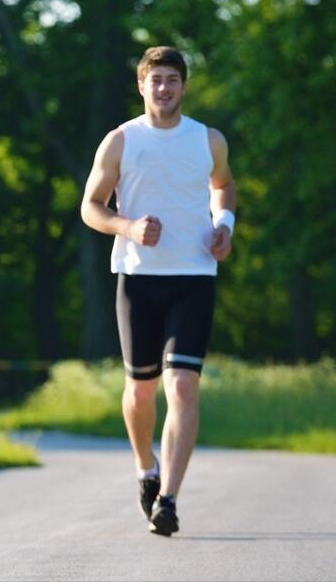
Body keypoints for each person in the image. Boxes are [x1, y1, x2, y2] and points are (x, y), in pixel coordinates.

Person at [80, 46, 237, 536]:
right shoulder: (121, 140)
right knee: (141, 390)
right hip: (138, 278)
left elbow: (223, 185)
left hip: (194, 277)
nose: (164, 88)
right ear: (141, 85)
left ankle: (167, 498)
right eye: (156, 79)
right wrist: (128, 227)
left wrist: (224, 225)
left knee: (183, 385)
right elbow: (90, 206)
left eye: (172, 79)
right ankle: (145, 467)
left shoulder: (208, 139)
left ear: (183, 85)